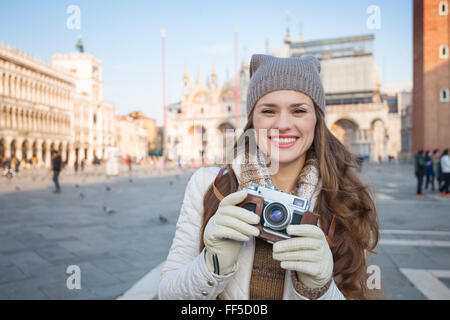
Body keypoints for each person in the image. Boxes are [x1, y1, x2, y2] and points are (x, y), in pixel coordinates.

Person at [159, 54, 380, 300]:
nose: (283, 124)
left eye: (298, 110)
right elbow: (169, 294)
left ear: (317, 119)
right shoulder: (208, 185)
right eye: (268, 110)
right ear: (252, 119)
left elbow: (357, 292)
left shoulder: (344, 197)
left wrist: (320, 289)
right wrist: (212, 264)